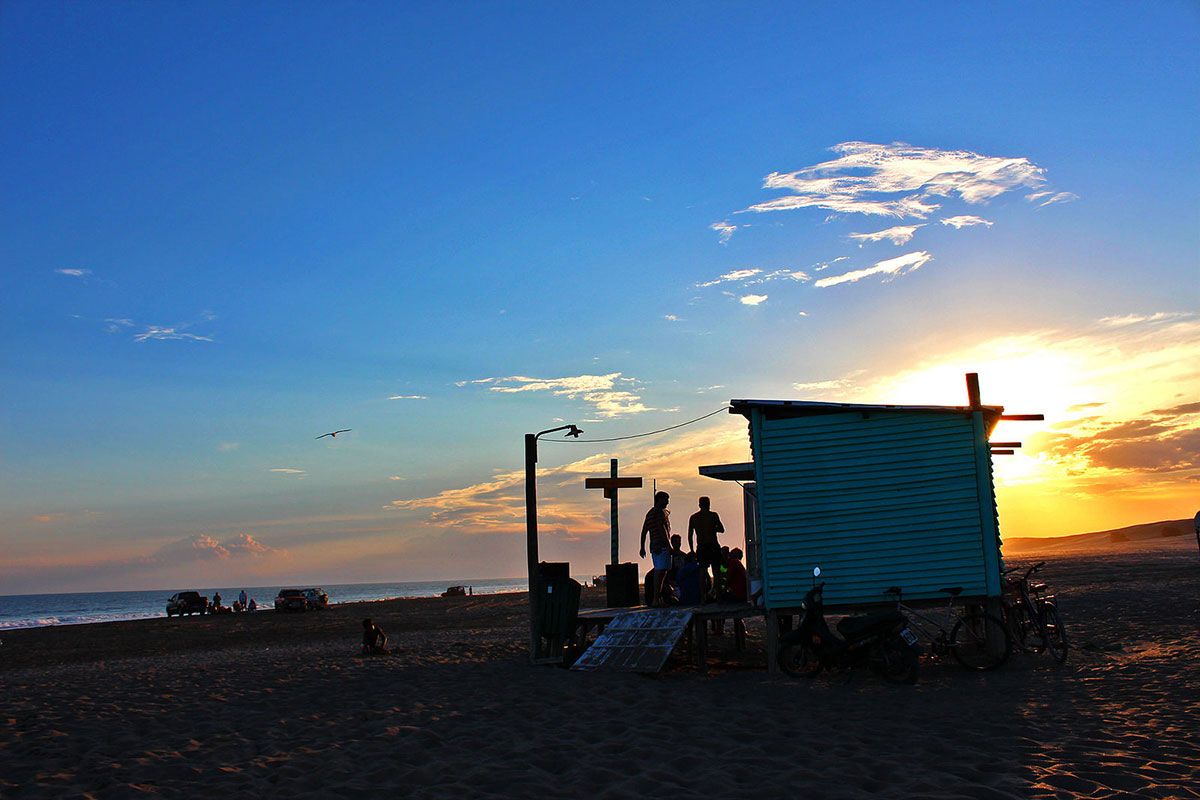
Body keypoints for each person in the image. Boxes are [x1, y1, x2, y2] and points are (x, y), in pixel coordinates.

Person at [639, 491, 672, 606]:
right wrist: (669, 545)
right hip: (660, 545)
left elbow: (644, 531)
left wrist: (642, 546)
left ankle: (658, 598)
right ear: (659, 500)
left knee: (662, 571)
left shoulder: (650, 513)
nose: (667, 502)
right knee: (660, 571)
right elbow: (661, 528)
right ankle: (656, 599)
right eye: (666, 499)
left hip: (655, 545)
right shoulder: (658, 513)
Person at [687, 497, 725, 593]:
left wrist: (692, 550)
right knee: (716, 572)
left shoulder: (694, 517)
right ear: (709, 504)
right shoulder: (713, 515)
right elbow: (721, 529)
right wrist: (712, 529)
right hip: (712, 545)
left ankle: (703, 598)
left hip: (702, 547)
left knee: (702, 572)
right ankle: (718, 597)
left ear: (700, 505)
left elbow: (690, 536)